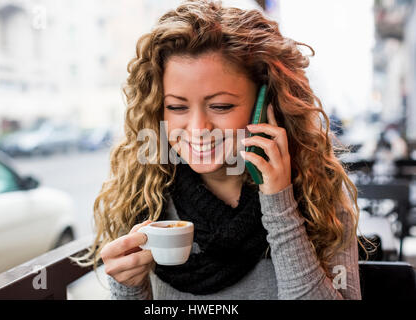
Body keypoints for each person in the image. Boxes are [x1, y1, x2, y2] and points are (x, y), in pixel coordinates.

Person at [73, 0, 362, 300]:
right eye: (176, 107)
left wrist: (280, 204)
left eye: (221, 106)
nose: (198, 128)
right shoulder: (142, 193)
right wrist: (127, 287)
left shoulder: (318, 193)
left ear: (265, 106)